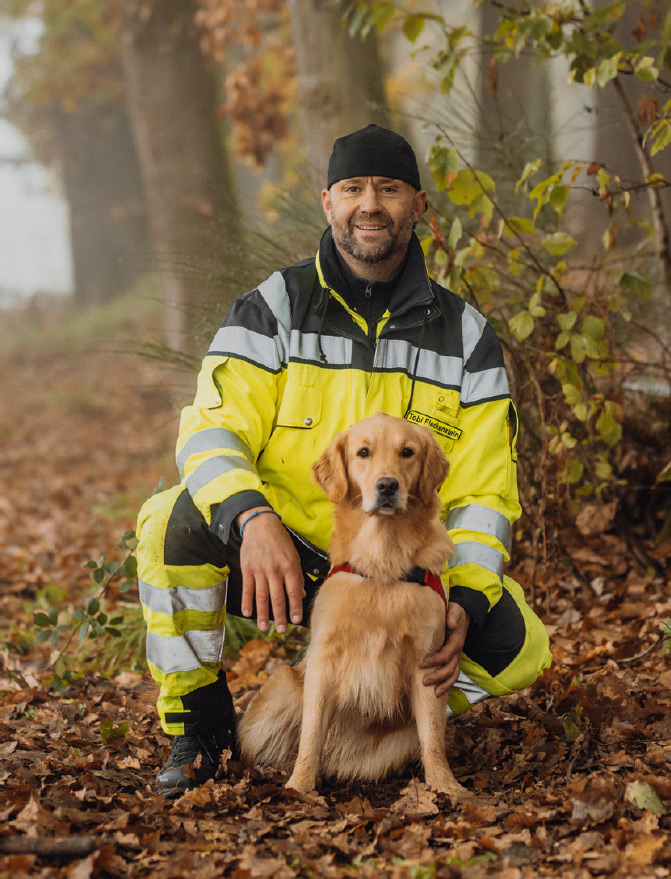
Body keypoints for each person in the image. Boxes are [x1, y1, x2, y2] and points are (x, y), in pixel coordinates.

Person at [136, 124, 552, 798]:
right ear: (327, 202)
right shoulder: (270, 310)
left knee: (519, 642)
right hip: (286, 557)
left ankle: (390, 721)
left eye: (388, 189)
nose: (370, 204)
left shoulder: (466, 335)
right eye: (353, 189)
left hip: (407, 566)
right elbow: (212, 429)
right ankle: (200, 728)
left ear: (418, 205)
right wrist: (251, 519)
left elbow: (485, 493)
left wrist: (465, 598)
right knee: (168, 523)